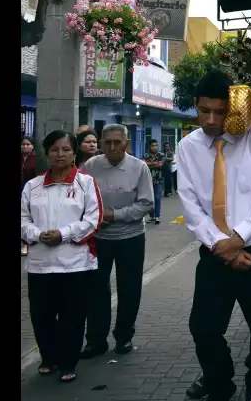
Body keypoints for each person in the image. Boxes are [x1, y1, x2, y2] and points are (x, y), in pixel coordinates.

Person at [178, 71, 251, 401]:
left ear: (234, 109)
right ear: (195, 106)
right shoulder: (188, 146)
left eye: (220, 112)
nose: (211, 120)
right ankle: (219, 381)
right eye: (204, 111)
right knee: (204, 328)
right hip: (215, 251)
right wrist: (221, 246)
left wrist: (238, 238)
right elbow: (190, 204)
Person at [22, 130, 101, 383]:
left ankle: (68, 362)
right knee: (41, 316)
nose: (60, 154)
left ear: (74, 153)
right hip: (40, 265)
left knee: (72, 317)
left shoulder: (85, 183)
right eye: (55, 149)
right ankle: (48, 357)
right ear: (46, 153)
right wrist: (36, 234)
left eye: (66, 149)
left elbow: (93, 219)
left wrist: (64, 234)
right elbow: (23, 219)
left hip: (75, 264)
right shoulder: (32, 186)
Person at [80, 124, 154, 359]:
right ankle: (96, 340)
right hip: (99, 239)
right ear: (101, 143)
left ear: (126, 143)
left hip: (130, 238)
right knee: (95, 290)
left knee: (129, 289)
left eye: (117, 142)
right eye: (107, 142)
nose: (112, 147)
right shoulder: (91, 166)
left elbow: (146, 203)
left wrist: (113, 214)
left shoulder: (139, 167)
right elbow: (83, 198)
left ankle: (124, 337)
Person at [143, 140, 165, 224]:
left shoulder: (161, 155)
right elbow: (144, 164)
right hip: (148, 180)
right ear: (149, 146)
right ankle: (152, 216)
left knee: (157, 198)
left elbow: (160, 164)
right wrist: (155, 163)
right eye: (153, 145)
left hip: (158, 180)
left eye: (156, 145)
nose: (155, 147)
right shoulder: (146, 155)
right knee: (149, 199)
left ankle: (157, 216)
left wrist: (150, 163)